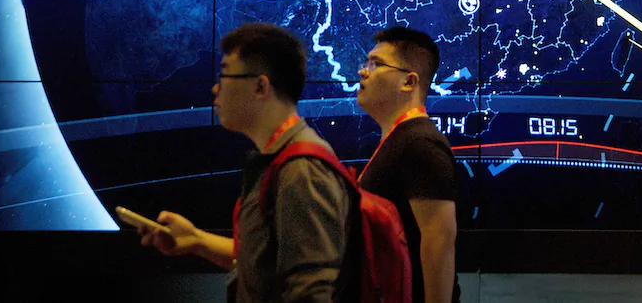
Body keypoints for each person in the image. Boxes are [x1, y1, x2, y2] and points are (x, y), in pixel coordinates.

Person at [137, 22, 355, 303]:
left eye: (226, 75)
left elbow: (312, 292)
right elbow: (266, 266)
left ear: (260, 86)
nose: (216, 88)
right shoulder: (280, 161)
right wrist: (196, 240)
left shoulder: (301, 171)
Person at [356, 27, 461, 303]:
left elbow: (439, 243)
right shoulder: (401, 139)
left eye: (376, 64)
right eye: (366, 63)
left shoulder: (420, 144)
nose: (362, 72)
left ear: (409, 82)